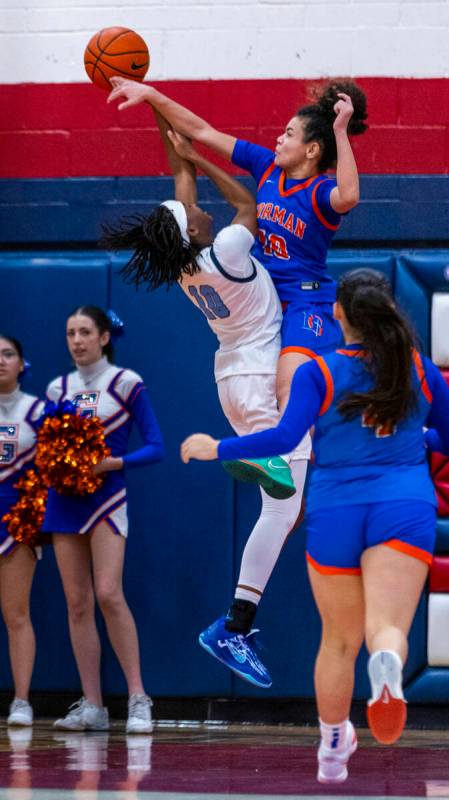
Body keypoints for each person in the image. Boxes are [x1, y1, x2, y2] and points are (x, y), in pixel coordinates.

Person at [180, 268, 449, 782]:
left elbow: (281, 440)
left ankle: (331, 745)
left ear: (339, 314)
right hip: (403, 505)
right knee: (385, 627)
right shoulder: (416, 368)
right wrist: (422, 440)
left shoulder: (317, 373)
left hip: (336, 510)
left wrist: (218, 448)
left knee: (338, 639)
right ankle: (387, 663)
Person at [100, 112, 310, 688]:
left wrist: (174, 148)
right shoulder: (229, 252)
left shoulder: (186, 262)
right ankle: (235, 624)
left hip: (229, 379)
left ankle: (239, 613)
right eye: (193, 214)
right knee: (284, 507)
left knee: (284, 512)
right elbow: (247, 205)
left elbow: (180, 198)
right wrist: (204, 162)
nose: (198, 209)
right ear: (191, 230)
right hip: (265, 374)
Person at [106, 76, 368, 420]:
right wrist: (153, 95)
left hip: (306, 302)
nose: (279, 137)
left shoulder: (319, 192)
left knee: (288, 386)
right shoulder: (267, 168)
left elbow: (348, 195)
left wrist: (340, 130)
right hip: (266, 297)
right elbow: (201, 130)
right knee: (284, 402)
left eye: (288, 133)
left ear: (312, 149)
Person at [41, 307, 164, 733]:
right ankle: (92, 705)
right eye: (70, 333)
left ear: (105, 337)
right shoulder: (57, 387)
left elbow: (156, 446)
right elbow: (47, 449)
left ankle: (137, 698)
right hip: (63, 501)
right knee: (77, 603)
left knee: (109, 593)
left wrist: (114, 463)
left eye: (86, 332)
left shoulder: (126, 383)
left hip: (107, 498)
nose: (77, 340)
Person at [0, 335, 44, 727]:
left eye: (8, 354)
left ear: (21, 363)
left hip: (17, 525)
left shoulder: (37, 411)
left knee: (16, 614)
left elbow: (52, 470)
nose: (0, 361)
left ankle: (21, 700)